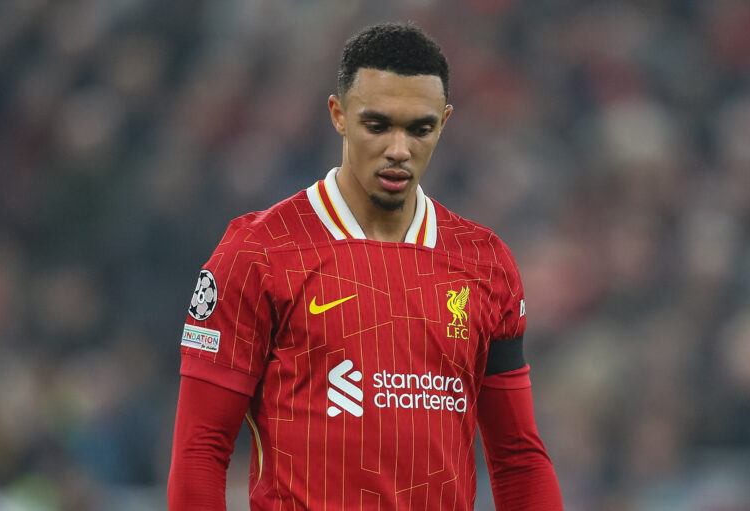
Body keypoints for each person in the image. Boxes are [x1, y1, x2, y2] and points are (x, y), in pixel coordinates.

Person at [168, 21, 563, 510]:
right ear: (338, 114)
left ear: (444, 121)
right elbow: (200, 448)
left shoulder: (485, 263)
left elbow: (518, 458)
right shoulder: (259, 253)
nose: (399, 149)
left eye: (420, 128)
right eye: (378, 125)